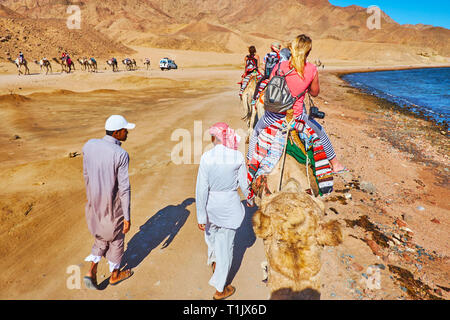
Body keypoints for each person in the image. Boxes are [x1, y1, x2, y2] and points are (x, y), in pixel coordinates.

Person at [247, 34, 347, 173]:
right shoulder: (311, 69)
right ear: (308, 52)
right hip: (297, 118)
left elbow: (271, 83)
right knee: (321, 133)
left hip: (273, 116)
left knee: (256, 131)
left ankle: (249, 163)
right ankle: (335, 164)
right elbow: (314, 92)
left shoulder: (280, 66)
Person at [196, 122, 251, 300]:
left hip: (211, 206)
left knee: (212, 237)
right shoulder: (236, 156)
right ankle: (221, 289)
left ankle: (214, 263)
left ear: (214, 138)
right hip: (229, 207)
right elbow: (244, 183)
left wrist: (201, 215)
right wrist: (249, 199)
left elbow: (201, 189)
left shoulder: (206, 157)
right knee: (226, 247)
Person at [82, 115, 136, 290]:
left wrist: (92, 198)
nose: (127, 132)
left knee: (100, 237)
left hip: (93, 203)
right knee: (117, 239)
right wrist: (127, 217)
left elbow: (86, 175)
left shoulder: (89, 145)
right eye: (125, 130)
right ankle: (115, 275)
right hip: (112, 207)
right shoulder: (120, 154)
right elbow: (124, 188)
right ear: (117, 132)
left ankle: (91, 271)